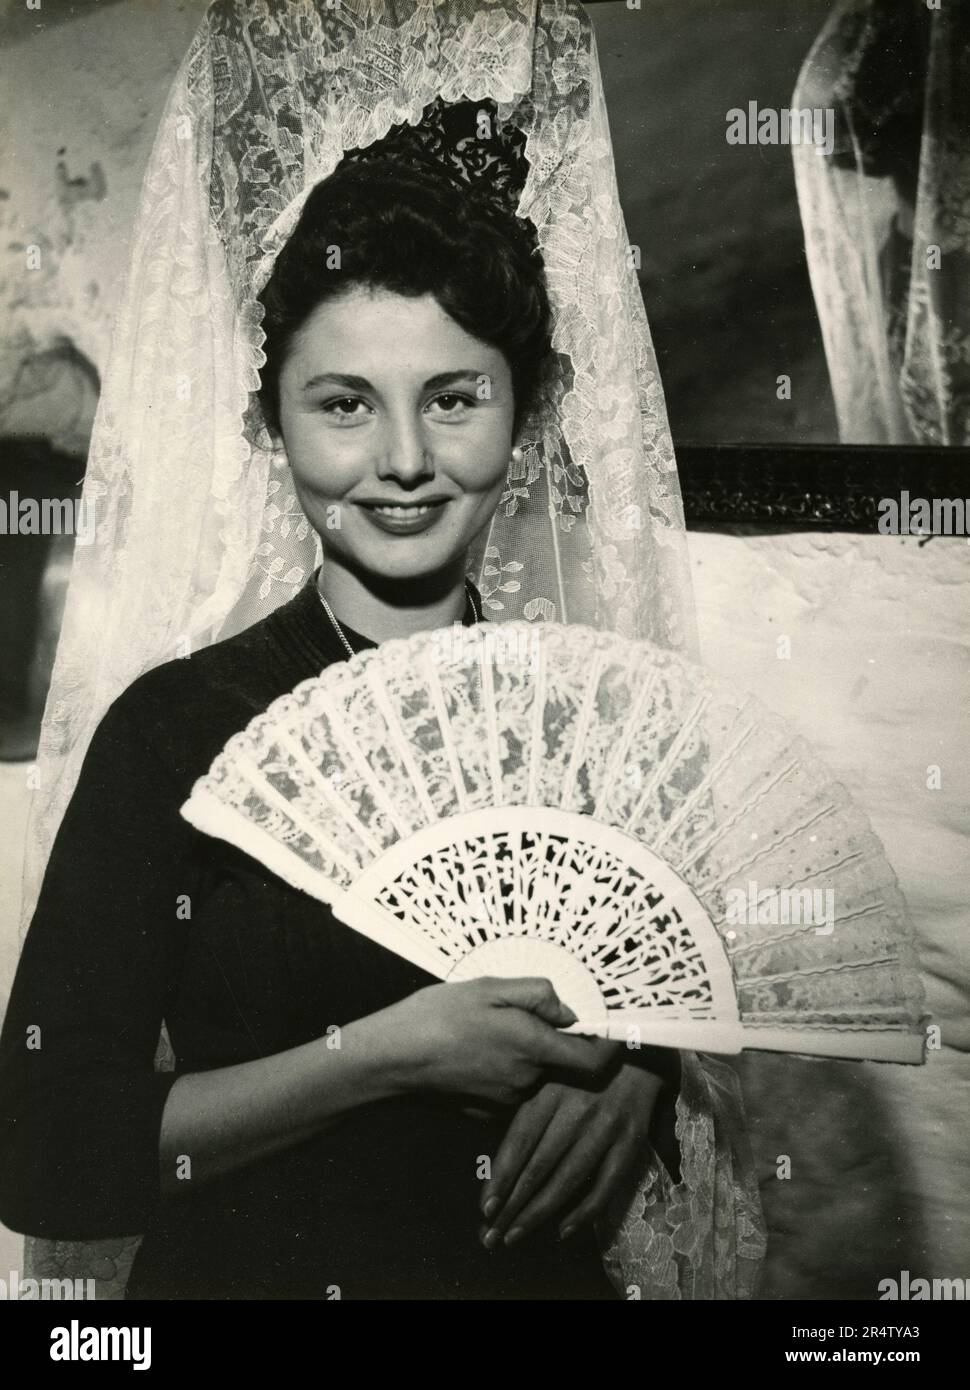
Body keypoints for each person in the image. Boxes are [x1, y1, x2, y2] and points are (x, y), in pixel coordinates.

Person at [0, 0, 765, 1300]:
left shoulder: (595, 730)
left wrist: (646, 1054)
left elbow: (676, 1005)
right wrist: (385, 1053)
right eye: (344, 402)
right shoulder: (174, 731)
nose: (403, 460)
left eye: (454, 396)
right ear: (271, 423)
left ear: (525, 419)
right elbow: (42, 1150)